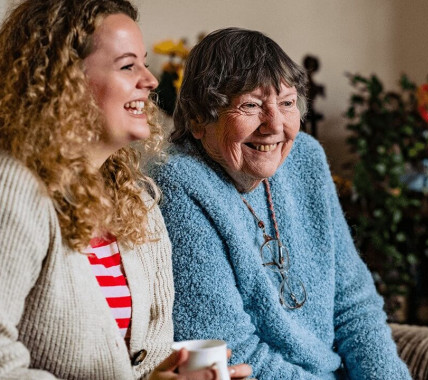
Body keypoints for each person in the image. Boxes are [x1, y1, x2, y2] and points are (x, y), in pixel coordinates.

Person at [0, 2, 251, 379]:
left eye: (145, 63)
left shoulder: (138, 200)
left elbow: (148, 360)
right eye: (127, 65)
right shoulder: (15, 186)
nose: (150, 81)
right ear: (64, 81)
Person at [149, 27, 412, 379]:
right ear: (199, 119)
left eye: (287, 103)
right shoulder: (178, 181)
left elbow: (355, 303)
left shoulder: (305, 157)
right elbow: (230, 349)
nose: (274, 125)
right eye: (251, 105)